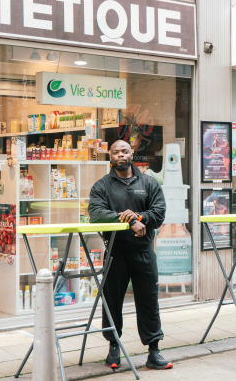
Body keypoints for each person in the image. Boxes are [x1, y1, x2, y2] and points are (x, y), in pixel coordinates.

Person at [88, 140, 172, 370]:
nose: (120, 155)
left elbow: (159, 213)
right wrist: (130, 220)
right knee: (112, 300)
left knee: (148, 300)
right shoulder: (101, 186)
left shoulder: (149, 183)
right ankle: (113, 347)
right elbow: (96, 214)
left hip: (143, 251)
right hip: (115, 252)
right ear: (110, 156)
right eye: (116, 152)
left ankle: (154, 351)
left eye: (124, 151)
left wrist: (141, 217)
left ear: (132, 153)